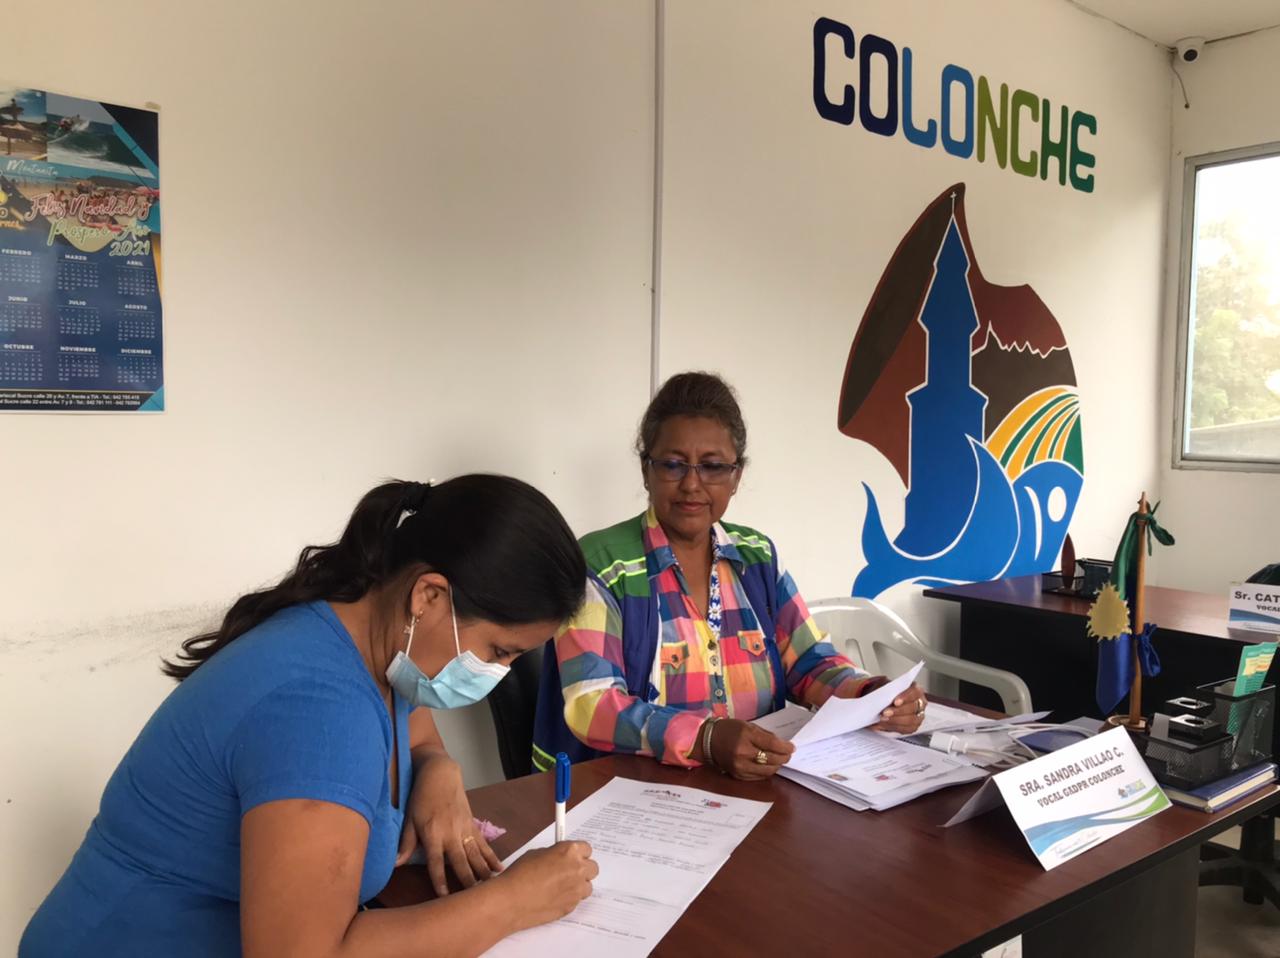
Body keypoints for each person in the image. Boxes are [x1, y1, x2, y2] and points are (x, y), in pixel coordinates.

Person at [22, 475, 598, 957]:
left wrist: (438, 768)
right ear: (428, 597)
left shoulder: (367, 640)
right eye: (498, 651)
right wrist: (513, 902)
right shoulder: (320, 710)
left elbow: (413, 727)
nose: (499, 672)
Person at [533, 372, 926, 779]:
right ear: (646, 470)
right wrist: (705, 739)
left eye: (712, 467)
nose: (692, 484)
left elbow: (808, 660)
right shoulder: (602, 564)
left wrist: (869, 694)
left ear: (736, 476)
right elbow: (592, 704)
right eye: (673, 465)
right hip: (637, 792)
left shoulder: (756, 556)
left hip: (760, 783)